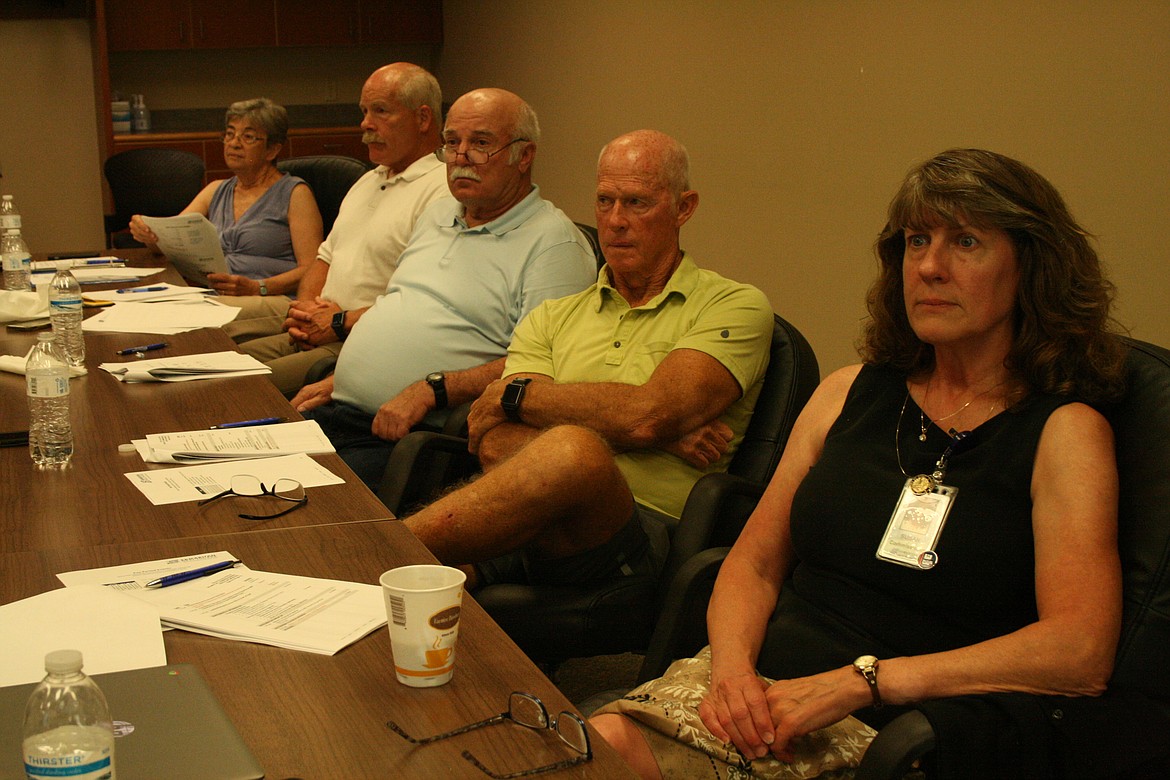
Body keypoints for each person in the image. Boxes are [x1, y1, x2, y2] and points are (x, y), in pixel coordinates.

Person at [589, 148, 1139, 779]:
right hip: (755, 686)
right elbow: (754, 562)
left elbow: (1080, 650)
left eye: (965, 242)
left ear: (1031, 268)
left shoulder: (1064, 433)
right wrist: (732, 668)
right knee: (591, 744)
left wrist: (862, 683)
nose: (929, 267)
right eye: (916, 241)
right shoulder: (848, 392)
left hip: (900, 727)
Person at [400, 129, 773, 592]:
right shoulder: (553, 316)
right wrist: (652, 437)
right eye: (604, 201)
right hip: (537, 517)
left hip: (638, 537)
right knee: (411, 602)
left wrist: (517, 397)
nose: (615, 221)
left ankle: (378, 547)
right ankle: (382, 562)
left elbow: (646, 417)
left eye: (636, 203)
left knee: (575, 450)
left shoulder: (734, 305)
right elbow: (495, 443)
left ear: (683, 207)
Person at [291, 88, 597, 489]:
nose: (460, 156)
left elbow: (540, 366)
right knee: (221, 473)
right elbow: (401, 309)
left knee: (285, 510)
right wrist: (345, 379)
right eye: (452, 142)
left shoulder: (554, 245)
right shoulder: (438, 214)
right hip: (342, 409)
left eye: (481, 143)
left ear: (524, 156)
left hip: (414, 440)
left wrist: (433, 390)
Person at [227, 63, 451, 396]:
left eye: (380, 111)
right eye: (363, 111)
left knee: (234, 388)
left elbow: (420, 302)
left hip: (359, 342)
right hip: (314, 328)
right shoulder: (367, 180)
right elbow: (324, 258)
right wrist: (305, 311)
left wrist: (336, 323)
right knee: (210, 361)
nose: (365, 123)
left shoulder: (442, 189)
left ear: (422, 119)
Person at [129, 97, 323, 301]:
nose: (234, 144)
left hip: (271, 298)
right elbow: (171, 239)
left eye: (248, 137)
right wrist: (149, 235)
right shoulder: (215, 190)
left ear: (272, 149)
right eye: (230, 134)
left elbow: (312, 268)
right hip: (217, 296)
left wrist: (258, 287)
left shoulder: (295, 193)